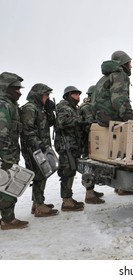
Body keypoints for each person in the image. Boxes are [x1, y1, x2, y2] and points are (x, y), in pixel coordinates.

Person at [20, 83, 59, 217]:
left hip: (41, 147)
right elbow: (27, 130)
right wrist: (38, 144)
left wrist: (49, 111)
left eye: (48, 95)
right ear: (38, 95)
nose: (47, 98)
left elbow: (51, 123)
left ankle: (37, 203)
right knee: (39, 175)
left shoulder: (40, 108)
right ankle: (39, 205)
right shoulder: (30, 108)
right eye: (45, 95)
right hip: (32, 148)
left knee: (42, 173)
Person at [0, 72, 29, 230]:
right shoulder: (3, 105)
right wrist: (6, 158)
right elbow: (1, 133)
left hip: (9, 153)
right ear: (6, 88)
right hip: (6, 155)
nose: (19, 92)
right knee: (7, 186)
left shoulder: (10, 105)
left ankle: (7, 217)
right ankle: (7, 220)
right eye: (16, 89)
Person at [94, 50, 133, 127]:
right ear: (124, 64)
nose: (131, 66)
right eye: (129, 63)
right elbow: (119, 100)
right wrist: (128, 117)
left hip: (102, 120)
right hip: (113, 117)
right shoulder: (119, 75)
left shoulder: (105, 78)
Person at [54, 86, 85, 211]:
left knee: (71, 171)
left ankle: (68, 198)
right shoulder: (64, 108)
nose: (78, 97)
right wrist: (79, 120)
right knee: (67, 172)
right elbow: (61, 122)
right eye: (76, 94)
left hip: (72, 145)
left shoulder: (72, 108)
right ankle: (66, 201)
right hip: (66, 145)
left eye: (79, 94)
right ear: (68, 95)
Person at [79, 85, 105, 204]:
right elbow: (91, 124)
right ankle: (89, 194)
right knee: (88, 167)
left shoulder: (89, 106)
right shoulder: (87, 107)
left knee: (91, 166)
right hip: (86, 141)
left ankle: (91, 190)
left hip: (88, 140)